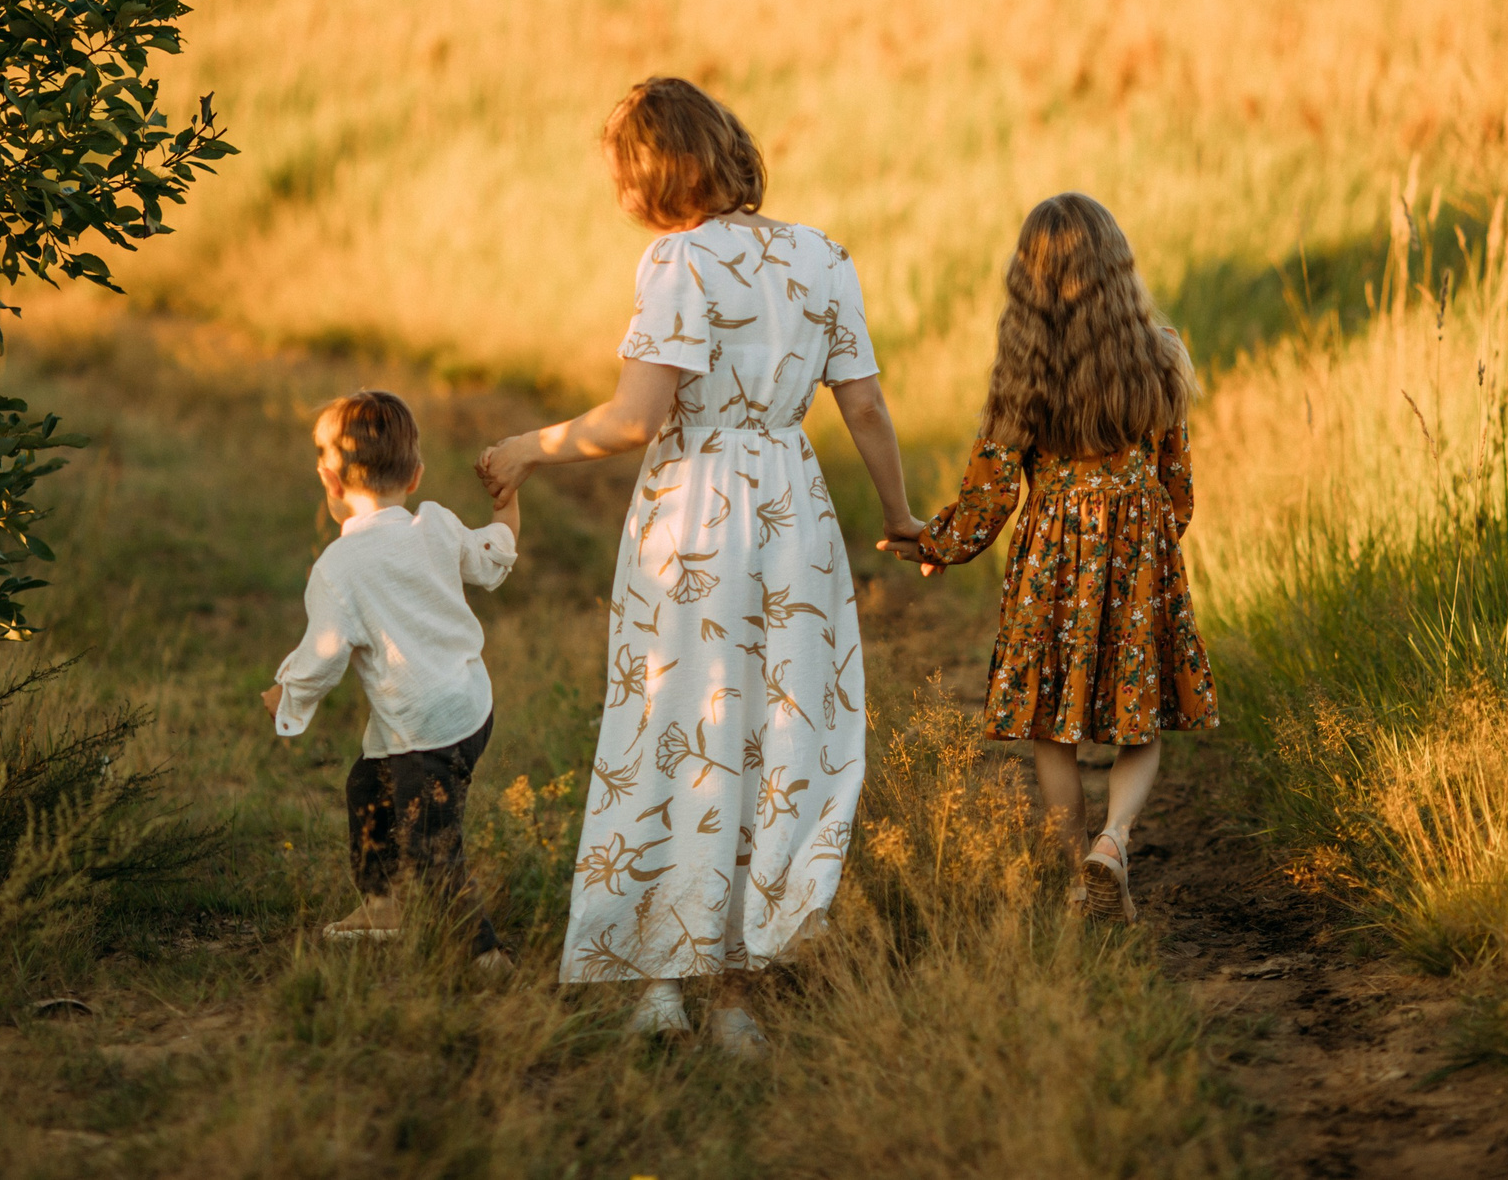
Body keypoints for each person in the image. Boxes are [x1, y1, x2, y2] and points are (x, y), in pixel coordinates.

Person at [476, 78, 921, 1053]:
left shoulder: (675, 263)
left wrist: (525, 449)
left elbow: (636, 420)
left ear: (643, 175)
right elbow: (868, 410)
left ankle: (660, 984)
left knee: (678, 724)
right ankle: (735, 992)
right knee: (778, 731)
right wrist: (897, 515)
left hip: (698, 508)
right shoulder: (821, 256)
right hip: (794, 508)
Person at [877, 193, 1217, 922]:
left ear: (1026, 285)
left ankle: (1073, 879)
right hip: (1137, 556)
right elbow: (1177, 485)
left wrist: (937, 539)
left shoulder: (1024, 369)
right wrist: (1150, 546)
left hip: (1051, 564)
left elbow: (992, 488)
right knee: (1141, 720)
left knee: (1050, 725)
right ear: (1117, 270)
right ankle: (1114, 842)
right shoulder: (1159, 353)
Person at [262, 388, 519, 966]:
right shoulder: (438, 525)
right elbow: (493, 558)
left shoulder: (338, 567)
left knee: (431, 847)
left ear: (330, 481)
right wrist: (506, 508)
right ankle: (383, 906)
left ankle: (484, 958)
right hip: (468, 708)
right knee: (367, 786)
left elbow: (322, 654)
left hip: (426, 729)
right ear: (417, 474)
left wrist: (288, 694)